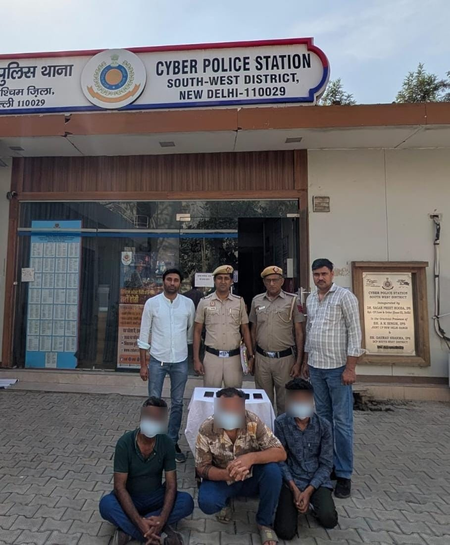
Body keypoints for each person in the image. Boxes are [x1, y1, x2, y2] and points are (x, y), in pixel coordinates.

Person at [301, 258, 363, 499]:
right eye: (316, 274)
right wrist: (306, 361)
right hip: (316, 368)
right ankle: (328, 467)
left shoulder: (345, 297)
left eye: (324, 274)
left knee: (343, 422)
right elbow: (310, 331)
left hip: (338, 370)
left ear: (332, 274)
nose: (320, 278)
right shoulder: (311, 299)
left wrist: (350, 368)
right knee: (323, 421)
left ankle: (344, 474)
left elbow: (355, 333)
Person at [195, 388, 286, 545]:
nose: (229, 413)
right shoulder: (207, 428)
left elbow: (280, 453)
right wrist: (227, 474)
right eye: (224, 409)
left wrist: (251, 458)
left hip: (250, 476)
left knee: (274, 472)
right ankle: (225, 500)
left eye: (234, 409)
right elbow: (201, 468)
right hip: (222, 478)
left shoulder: (253, 422)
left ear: (243, 409)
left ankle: (264, 523)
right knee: (207, 502)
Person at [99, 397, 194, 545]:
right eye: (149, 417)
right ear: (141, 417)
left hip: (155, 497)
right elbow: (119, 487)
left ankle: (128, 532)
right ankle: (159, 533)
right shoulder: (125, 443)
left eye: (158, 419)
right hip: (131, 497)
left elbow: (171, 485)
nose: (153, 421)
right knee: (106, 505)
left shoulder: (167, 443)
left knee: (186, 502)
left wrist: (162, 518)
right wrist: (140, 522)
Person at [138, 268, 195, 463]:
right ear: (163, 282)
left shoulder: (187, 304)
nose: (172, 283)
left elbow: (190, 332)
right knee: (153, 403)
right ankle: (151, 442)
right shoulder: (152, 303)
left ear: (180, 283)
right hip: (157, 360)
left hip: (180, 360)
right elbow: (144, 334)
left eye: (176, 280)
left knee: (177, 403)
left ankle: (171, 442)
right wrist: (143, 365)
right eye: (169, 279)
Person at [273, 379, 338, 540]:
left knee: (329, 519)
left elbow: (326, 464)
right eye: (296, 401)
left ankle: (313, 505)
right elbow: (279, 459)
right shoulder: (281, 423)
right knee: (285, 532)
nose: (301, 404)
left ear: (312, 401)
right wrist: (294, 489)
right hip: (291, 480)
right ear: (289, 402)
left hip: (317, 481)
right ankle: (293, 505)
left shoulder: (324, 426)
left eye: (305, 400)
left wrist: (308, 491)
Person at [249, 266, 305, 415]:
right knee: (262, 402)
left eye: (275, 280)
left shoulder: (293, 301)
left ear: (282, 281)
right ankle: (264, 430)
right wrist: (252, 357)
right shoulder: (256, 301)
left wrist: (298, 362)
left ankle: (283, 430)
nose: (272, 283)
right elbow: (253, 330)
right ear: (264, 282)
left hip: (285, 360)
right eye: (268, 280)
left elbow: (299, 333)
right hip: (262, 358)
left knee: (285, 402)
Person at [193, 265, 254, 388]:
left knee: (234, 394)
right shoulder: (204, 302)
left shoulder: (239, 302)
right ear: (214, 281)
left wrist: (251, 355)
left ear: (231, 281)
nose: (223, 281)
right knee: (211, 394)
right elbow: (197, 331)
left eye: (226, 278)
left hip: (234, 358)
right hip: (212, 357)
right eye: (219, 278)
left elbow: (245, 329)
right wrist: (196, 359)